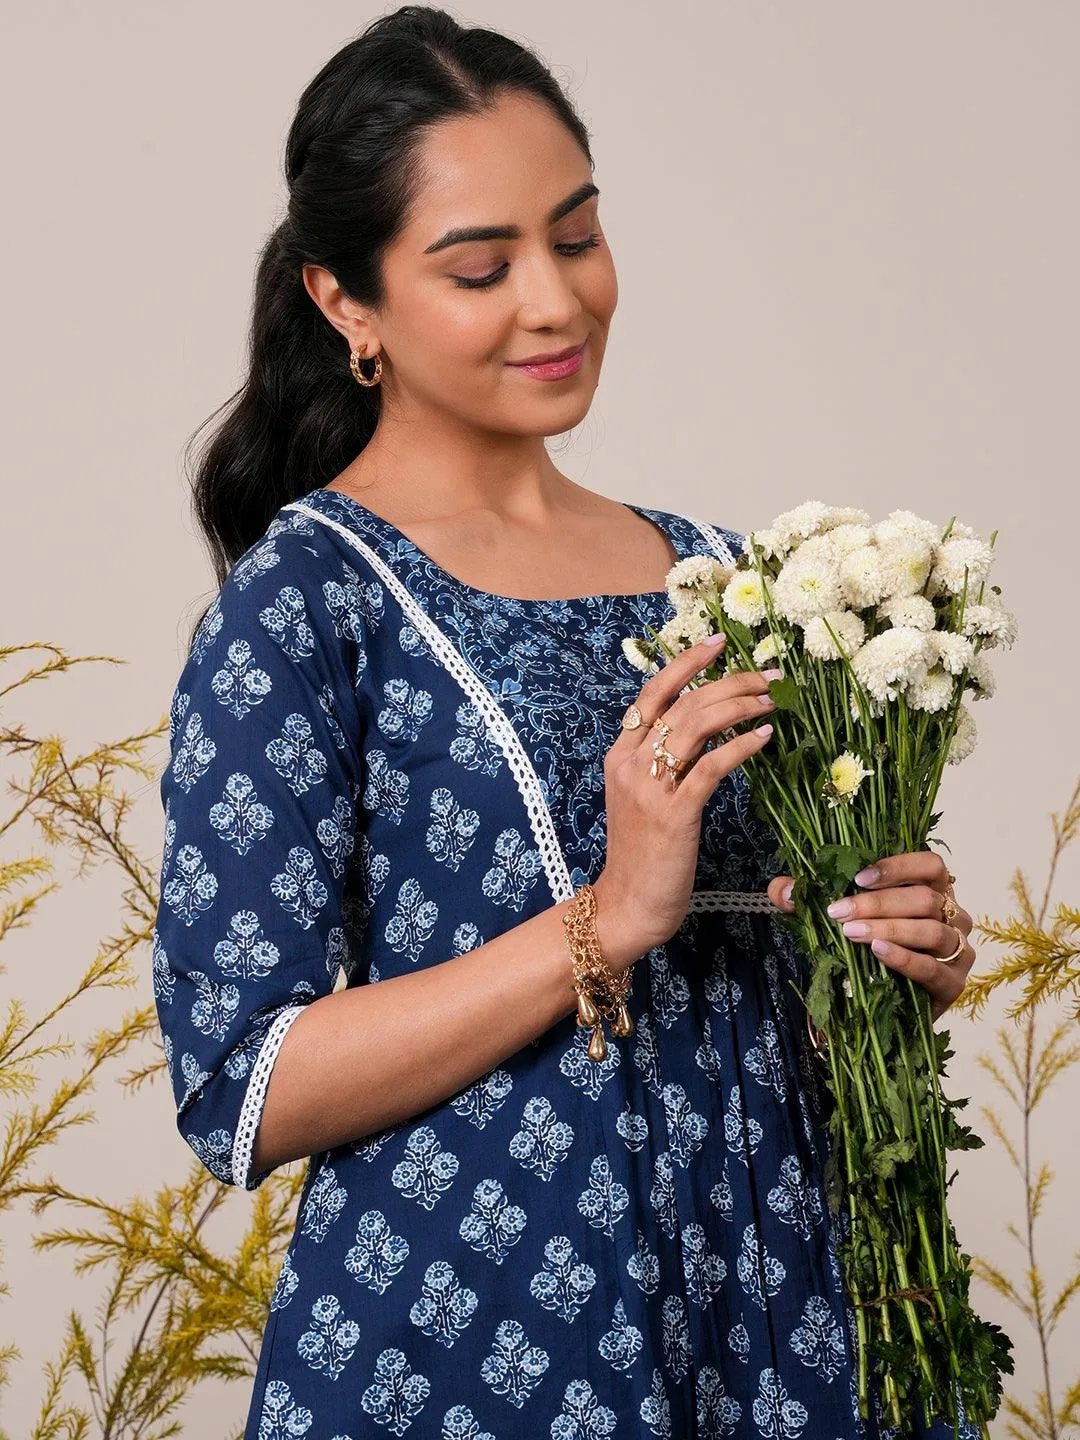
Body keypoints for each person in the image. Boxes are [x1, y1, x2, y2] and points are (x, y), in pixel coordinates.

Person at [150, 8, 979, 1437]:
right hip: (482, 1329)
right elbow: (243, 1086)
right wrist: (607, 917)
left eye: (578, 238)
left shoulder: (728, 579)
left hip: (780, 1299)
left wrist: (895, 949)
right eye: (481, 268)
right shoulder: (311, 602)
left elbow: (773, 989)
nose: (556, 302)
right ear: (347, 303)